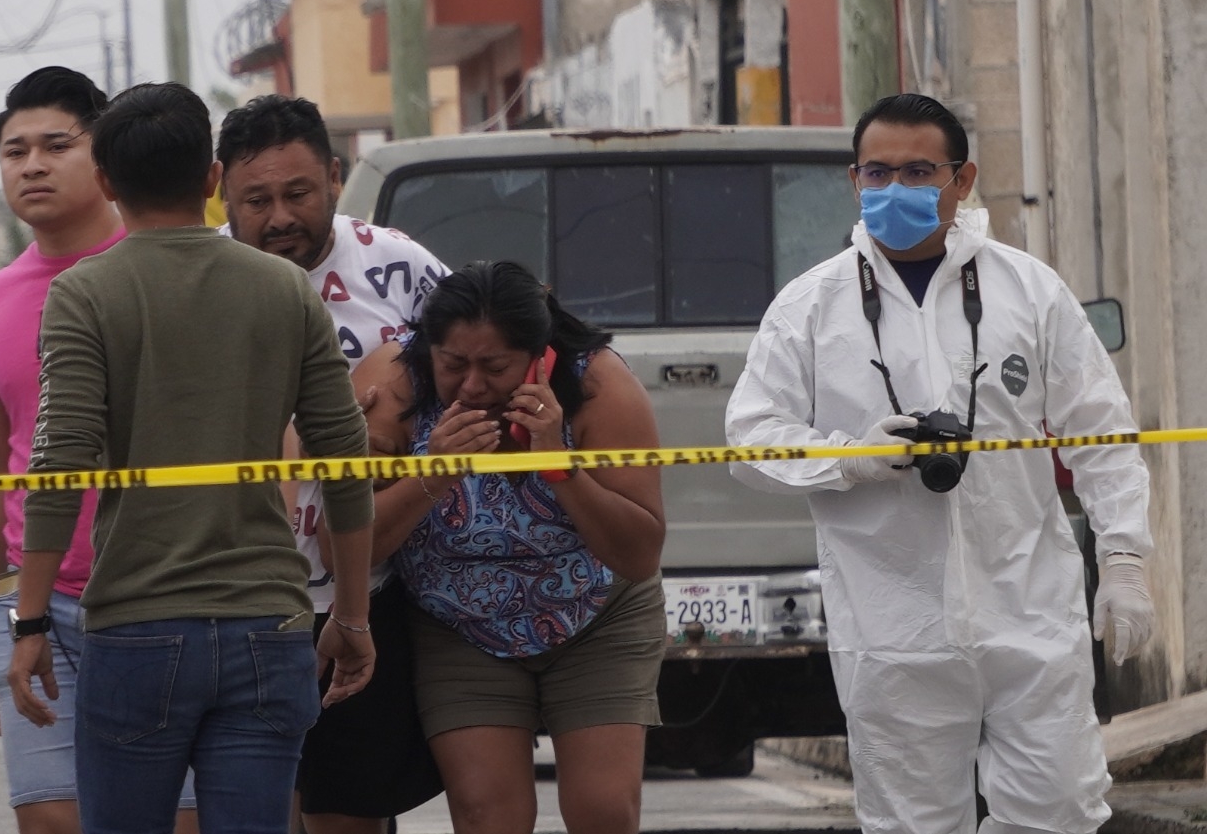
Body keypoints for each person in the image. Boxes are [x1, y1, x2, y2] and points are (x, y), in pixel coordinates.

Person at [725, 92, 1156, 834]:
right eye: (877, 172)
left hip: (1029, 611)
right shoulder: (810, 307)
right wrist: (852, 458)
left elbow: (1103, 430)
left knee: (1061, 811)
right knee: (912, 824)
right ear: (853, 180)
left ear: (963, 178)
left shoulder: (1030, 290)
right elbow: (750, 440)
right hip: (891, 624)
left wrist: (1123, 558)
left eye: (919, 171)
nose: (896, 190)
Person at [6, 82, 377, 834]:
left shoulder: (83, 294)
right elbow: (344, 454)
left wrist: (30, 620)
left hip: (136, 625)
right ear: (212, 180)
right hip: (269, 627)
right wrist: (354, 613)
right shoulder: (283, 287)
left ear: (107, 183)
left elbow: (58, 465)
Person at [0, 66, 198, 834]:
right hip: (37, 608)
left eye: (56, 144)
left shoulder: (177, 267)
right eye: (13, 150)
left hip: (166, 596)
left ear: (106, 157)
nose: (31, 164)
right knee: (54, 818)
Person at [349, 260, 666, 834]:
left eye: (494, 367)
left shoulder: (599, 386)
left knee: (603, 811)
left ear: (540, 357)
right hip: (458, 624)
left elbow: (640, 553)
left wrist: (560, 468)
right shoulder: (393, 384)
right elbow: (344, 545)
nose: (472, 386)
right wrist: (430, 477)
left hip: (596, 612)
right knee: (488, 815)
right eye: (453, 365)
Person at [217, 94, 446, 834]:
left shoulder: (401, 266)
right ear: (222, 190)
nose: (280, 216)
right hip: (235, 599)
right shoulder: (198, 281)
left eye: (298, 193)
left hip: (368, 593)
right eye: (256, 199)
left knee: (348, 816)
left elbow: (481, 366)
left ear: (335, 178)